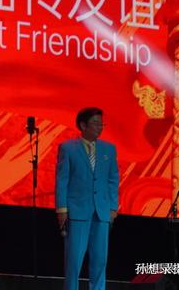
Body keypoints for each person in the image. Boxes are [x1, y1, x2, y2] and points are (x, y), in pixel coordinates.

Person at [55, 107, 119, 290]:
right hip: (77, 212)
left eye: (101, 124)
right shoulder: (68, 148)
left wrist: (113, 208)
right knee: (74, 261)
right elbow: (62, 180)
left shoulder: (109, 149)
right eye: (95, 123)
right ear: (83, 125)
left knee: (100, 261)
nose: (100, 127)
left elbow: (113, 179)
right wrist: (62, 209)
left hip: (102, 212)